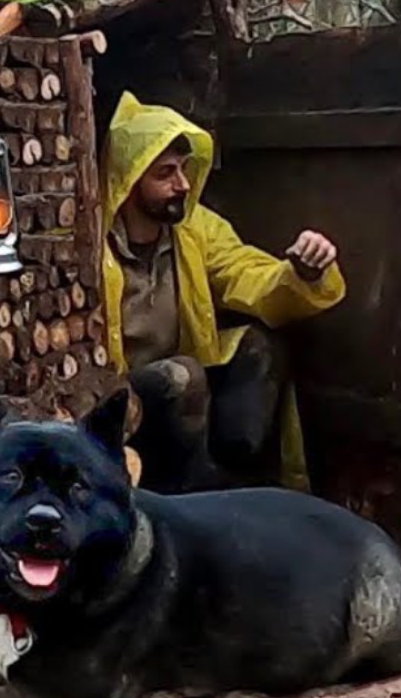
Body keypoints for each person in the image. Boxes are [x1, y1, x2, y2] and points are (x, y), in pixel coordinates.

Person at [100, 92, 345, 494]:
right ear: (129, 181)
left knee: (256, 345)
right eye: (164, 174)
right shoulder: (90, 242)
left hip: (186, 396)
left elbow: (245, 273)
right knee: (181, 375)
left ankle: (240, 480)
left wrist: (303, 273)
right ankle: (190, 495)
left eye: (183, 169)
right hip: (120, 395)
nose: (182, 183)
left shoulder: (196, 230)